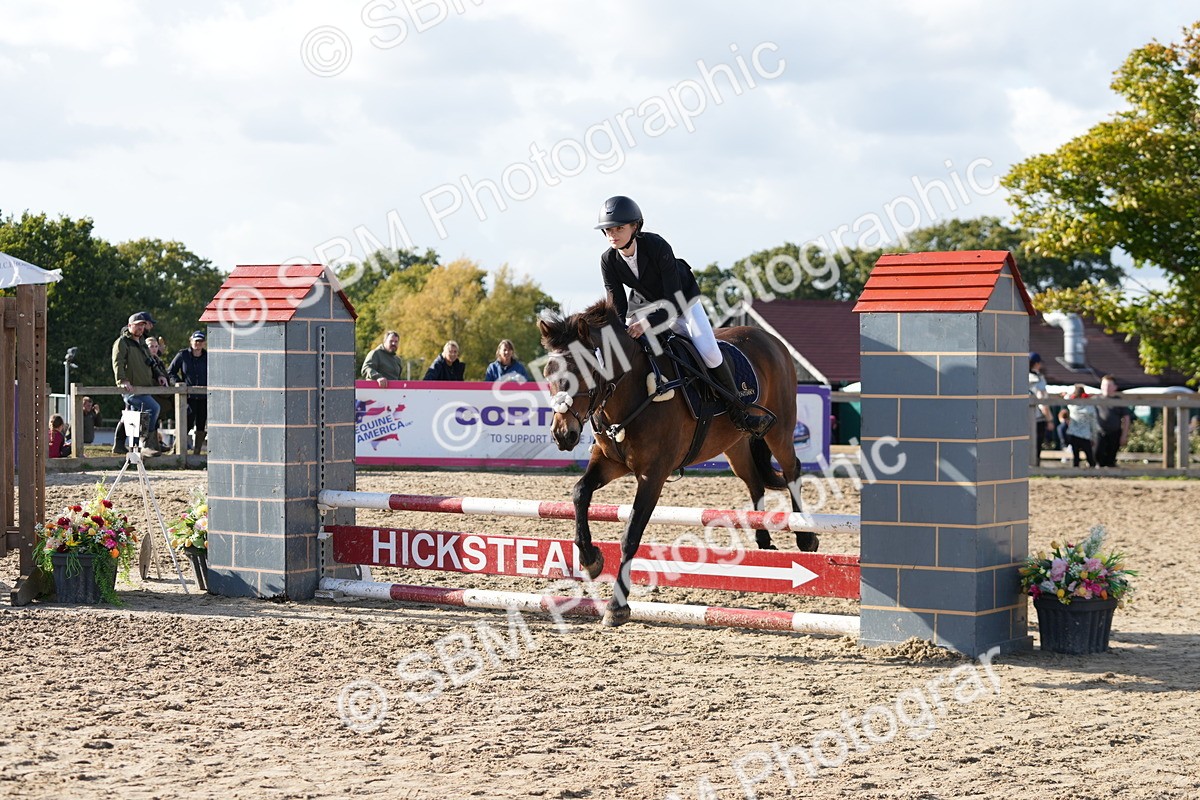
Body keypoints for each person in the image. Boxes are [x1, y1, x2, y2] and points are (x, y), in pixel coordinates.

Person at [594, 195, 771, 436]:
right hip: (644, 306)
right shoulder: (608, 260)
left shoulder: (657, 246)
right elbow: (617, 302)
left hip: (682, 302)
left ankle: (738, 411)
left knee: (709, 352)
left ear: (635, 227)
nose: (612, 235)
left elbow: (673, 300)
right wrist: (614, 330)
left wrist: (646, 324)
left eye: (619, 228)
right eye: (608, 230)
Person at [112, 313, 168, 456]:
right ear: (129, 326)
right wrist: (122, 381)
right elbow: (118, 362)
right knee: (153, 408)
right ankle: (146, 444)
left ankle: (123, 446)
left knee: (132, 417)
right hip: (131, 388)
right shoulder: (122, 342)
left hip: (144, 387)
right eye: (137, 325)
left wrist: (160, 375)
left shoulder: (142, 343)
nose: (141, 328)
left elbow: (151, 362)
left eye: (142, 325)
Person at [168, 331, 209, 455]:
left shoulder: (208, 356)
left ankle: (197, 452)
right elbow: (171, 372)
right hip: (187, 396)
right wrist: (179, 384)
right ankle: (176, 450)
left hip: (204, 396)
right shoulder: (183, 355)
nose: (198, 344)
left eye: (201, 341)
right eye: (196, 341)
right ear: (191, 341)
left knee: (201, 423)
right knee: (186, 423)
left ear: (204, 343)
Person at [1095, 374, 1132, 468]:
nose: (1106, 388)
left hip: (1114, 433)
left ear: (1115, 387)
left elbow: (1126, 418)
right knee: (1098, 457)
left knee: (1111, 459)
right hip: (1099, 432)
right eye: (1104, 385)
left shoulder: (1119, 401)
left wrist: (1124, 435)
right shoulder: (1095, 400)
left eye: (1109, 385)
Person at [1065, 383, 1100, 468]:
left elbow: (1066, 398)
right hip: (1086, 435)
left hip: (1073, 434)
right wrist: (1094, 436)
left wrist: (1068, 394)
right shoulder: (1089, 407)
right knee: (1090, 456)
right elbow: (1093, 423)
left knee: (1076, 457)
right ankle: (1092, 471)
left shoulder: (1072, 405)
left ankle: (1075, 471)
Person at [1028, 353, 1054, 459]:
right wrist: (1049, 420)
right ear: (1037, 364)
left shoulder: (1019, 377)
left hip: (1023, 417)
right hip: (1037, 418)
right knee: (1036, 447)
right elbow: (1043, 402)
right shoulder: (1038, 379)